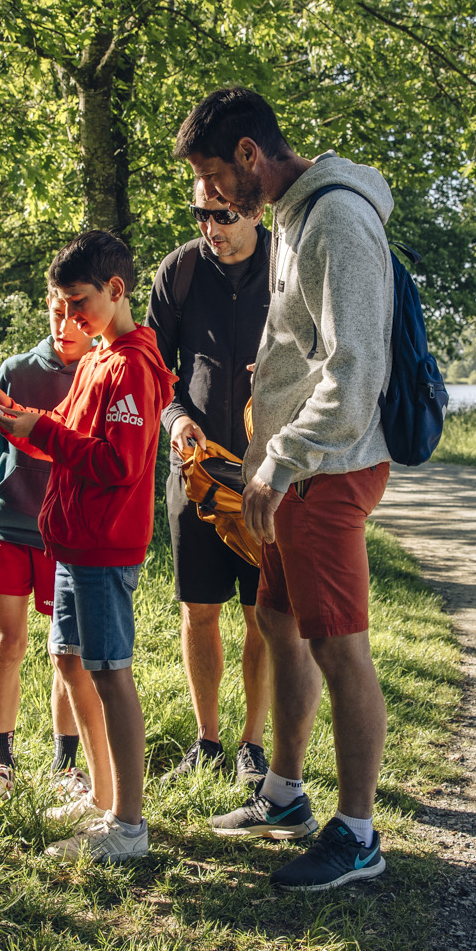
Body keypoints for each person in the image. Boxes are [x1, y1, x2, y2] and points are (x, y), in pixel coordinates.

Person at [176, 87, 396, 892]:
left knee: (339, 645)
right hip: (289, 470)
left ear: (248, 154)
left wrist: (283, 457)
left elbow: (356, 369)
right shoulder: (295, 216)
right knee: (276, 619)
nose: (208, 197)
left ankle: (359, 834)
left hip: (324, 470)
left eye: (212, 176)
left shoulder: (335, 218)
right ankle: (285, 796)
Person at [0, 230, 175, 862]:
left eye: (80, 302)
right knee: (68, 661)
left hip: (104, 546)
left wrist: (45, 432)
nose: (71, 316)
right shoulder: (96, 357)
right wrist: (11, 416)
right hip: (69, 540)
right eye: (61, 304)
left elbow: (118, 463)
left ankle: (128, 826)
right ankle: (101, 796)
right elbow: (62, 434)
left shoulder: (133, 366)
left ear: (116, 290)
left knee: (110, 672)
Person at [145, 179, 274, 787]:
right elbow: (153, 370)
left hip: (267, 474)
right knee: (199, 610)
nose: (210, 228)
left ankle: (253, 745)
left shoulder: (288, 266)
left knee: (261, 615)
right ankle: (207, 740)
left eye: (222, 215)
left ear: (255, 209)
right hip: (195, 470)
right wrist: (175, 420)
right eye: (201, 215)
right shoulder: (180, 271)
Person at [0, 291, 103, 811]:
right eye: (57, 313)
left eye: (76, 316)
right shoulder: (16, 370)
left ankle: (66, 767)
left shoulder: (100, 372)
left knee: (69, 655)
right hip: (10, 526)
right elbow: (1, 449)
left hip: (65, 533)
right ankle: (0, 763)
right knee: (8, 643)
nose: (65, 326)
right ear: (47, 306)